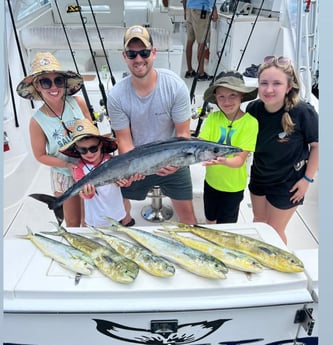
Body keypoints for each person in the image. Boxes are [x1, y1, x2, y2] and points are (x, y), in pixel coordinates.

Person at [107, 25, 197, 225]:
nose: (138, 59)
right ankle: (127, 224)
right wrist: (133, 168)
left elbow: (183, 135)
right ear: (124, 56)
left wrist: (176, 164)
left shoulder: (175, 86)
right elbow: (124, 140)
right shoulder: (116, 95)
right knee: (119, 215)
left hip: (174, 159)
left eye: (144, 52)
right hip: (135, 159)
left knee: (189, 219)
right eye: (132, 54)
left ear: (153, 53)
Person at [246, 56, 319, 244]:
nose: (269, 89)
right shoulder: (253, 109)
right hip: (260, 176)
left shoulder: (303, 112)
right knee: (259, 223)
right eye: (264, 83)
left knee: (274, 231)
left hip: (289, 182)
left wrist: (307, 180)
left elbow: (318, 146)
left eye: (276, 83)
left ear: (288, 87)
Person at [16, 52, 92, 227]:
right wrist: (67, 165)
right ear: (37, 85)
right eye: (45, 82)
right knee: (72, 222)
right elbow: (40, 155)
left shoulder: (78, 102)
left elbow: (92, 131)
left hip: (88, 167)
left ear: (64, 83)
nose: (53, 87)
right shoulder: (37, 121)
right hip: (63, 173)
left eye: (58, 80)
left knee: (89, 218)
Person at [199, 71, 258, 224]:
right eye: (221, 97)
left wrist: (222, 160)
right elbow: (201, 143)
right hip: (211, 182)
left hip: (233, 187)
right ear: (216, 99)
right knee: (210, 218)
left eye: (232, 95)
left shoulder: (250, 123)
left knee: (226, 226)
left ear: (242, 95)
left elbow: (239, 160)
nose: (227, 101)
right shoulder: (212, 118)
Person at [59, 118, 135, 227]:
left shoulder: (113, 161)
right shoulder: (79, 169)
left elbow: (126, 181)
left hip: (115, 212)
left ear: (100, 145)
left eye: (93, 148)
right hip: (96, 217)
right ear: (76, 149)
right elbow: (83, 194)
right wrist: (88, 194)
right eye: (83, 150)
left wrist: (125, 182)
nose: (89, 153)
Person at [183, 0, 218, 81]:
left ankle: (190, 71)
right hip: (200, 10)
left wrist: (185, 10)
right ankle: (201, 74)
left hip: (189, 9)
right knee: (202, 42)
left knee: (190, 40)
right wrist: (214, 10)